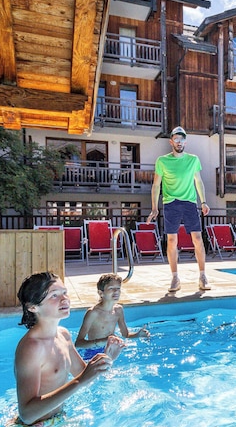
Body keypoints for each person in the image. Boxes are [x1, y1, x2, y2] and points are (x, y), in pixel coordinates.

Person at [14, 272, 124, 426]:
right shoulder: (32, 347)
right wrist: (79, 382)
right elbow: (27, 415)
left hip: (57, 419)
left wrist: (107, 357)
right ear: (33, 307)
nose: (64, 299)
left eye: (64, 292)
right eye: (54, 295)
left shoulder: (63, 335)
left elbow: (84, 374)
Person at [147, 126, 211, 293]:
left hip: (190, 203)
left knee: (198, 238)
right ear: (171, 142)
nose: (179, 142)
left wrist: (204, 202)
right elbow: (156, 185)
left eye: (182, 139)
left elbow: (198, 181)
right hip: (171, 203)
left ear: (185, 142)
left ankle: (202, 276)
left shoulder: (193, 160)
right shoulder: (162, 161)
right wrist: (154, 207)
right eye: (176, 139)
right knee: (171, 241)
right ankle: (175, 278)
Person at [74, 273, 149, 359]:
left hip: (112, 349)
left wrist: (137, 335)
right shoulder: (93, 313)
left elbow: (125, 335)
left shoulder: (118, 310)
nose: (116, 291)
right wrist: (102, 341)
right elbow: (78, 343)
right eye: (111, 288)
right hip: (94, 352)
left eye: (118, 288)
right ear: (101, 293)